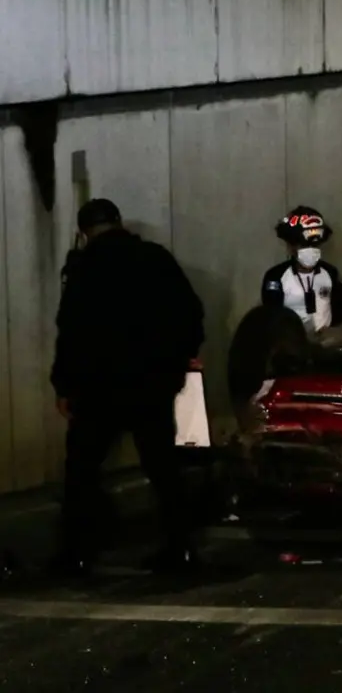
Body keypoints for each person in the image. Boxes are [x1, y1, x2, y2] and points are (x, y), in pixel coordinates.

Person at [50, 199, 205, 575]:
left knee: (82, 469)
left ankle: (77, 551)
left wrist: (64, 385)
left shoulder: (84, 267)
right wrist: (181, 358)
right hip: (152, 381)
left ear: (84, 231)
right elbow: (189, 311)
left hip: (98, 385)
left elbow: (70, 331)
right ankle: (179, 547)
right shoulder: (154, 258)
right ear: (118, 221)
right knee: (162, 466)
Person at [262, 205, 342, 334]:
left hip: (327, 346)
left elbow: (341, 312)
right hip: (291, 347)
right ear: (290, 247)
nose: (310, 250)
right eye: (303, 245)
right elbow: (270, 318)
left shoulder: (330, 273)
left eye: (315, 244)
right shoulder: (276, 276)